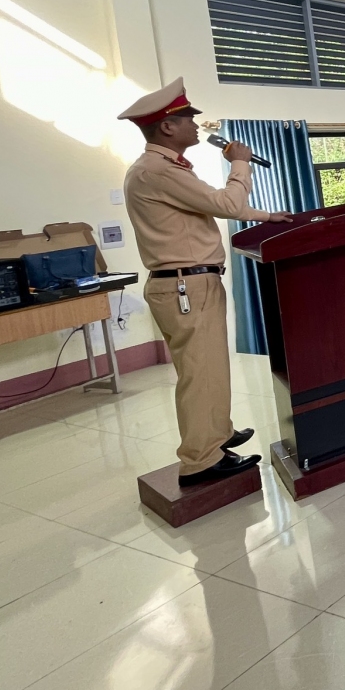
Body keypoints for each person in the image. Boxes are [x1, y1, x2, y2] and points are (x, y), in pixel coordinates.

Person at [119, 78, 290, 486]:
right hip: (184, 286)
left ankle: (215, 435)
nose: (197, 126)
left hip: (191, 284)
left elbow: (209, 206)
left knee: (210, 367)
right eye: (187, 118)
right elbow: (227, 203)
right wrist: (240, 162)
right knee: (199, 372)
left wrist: (269, 218)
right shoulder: (155, 171)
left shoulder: (165, 169)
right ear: (166, 127)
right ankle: (199, 460)